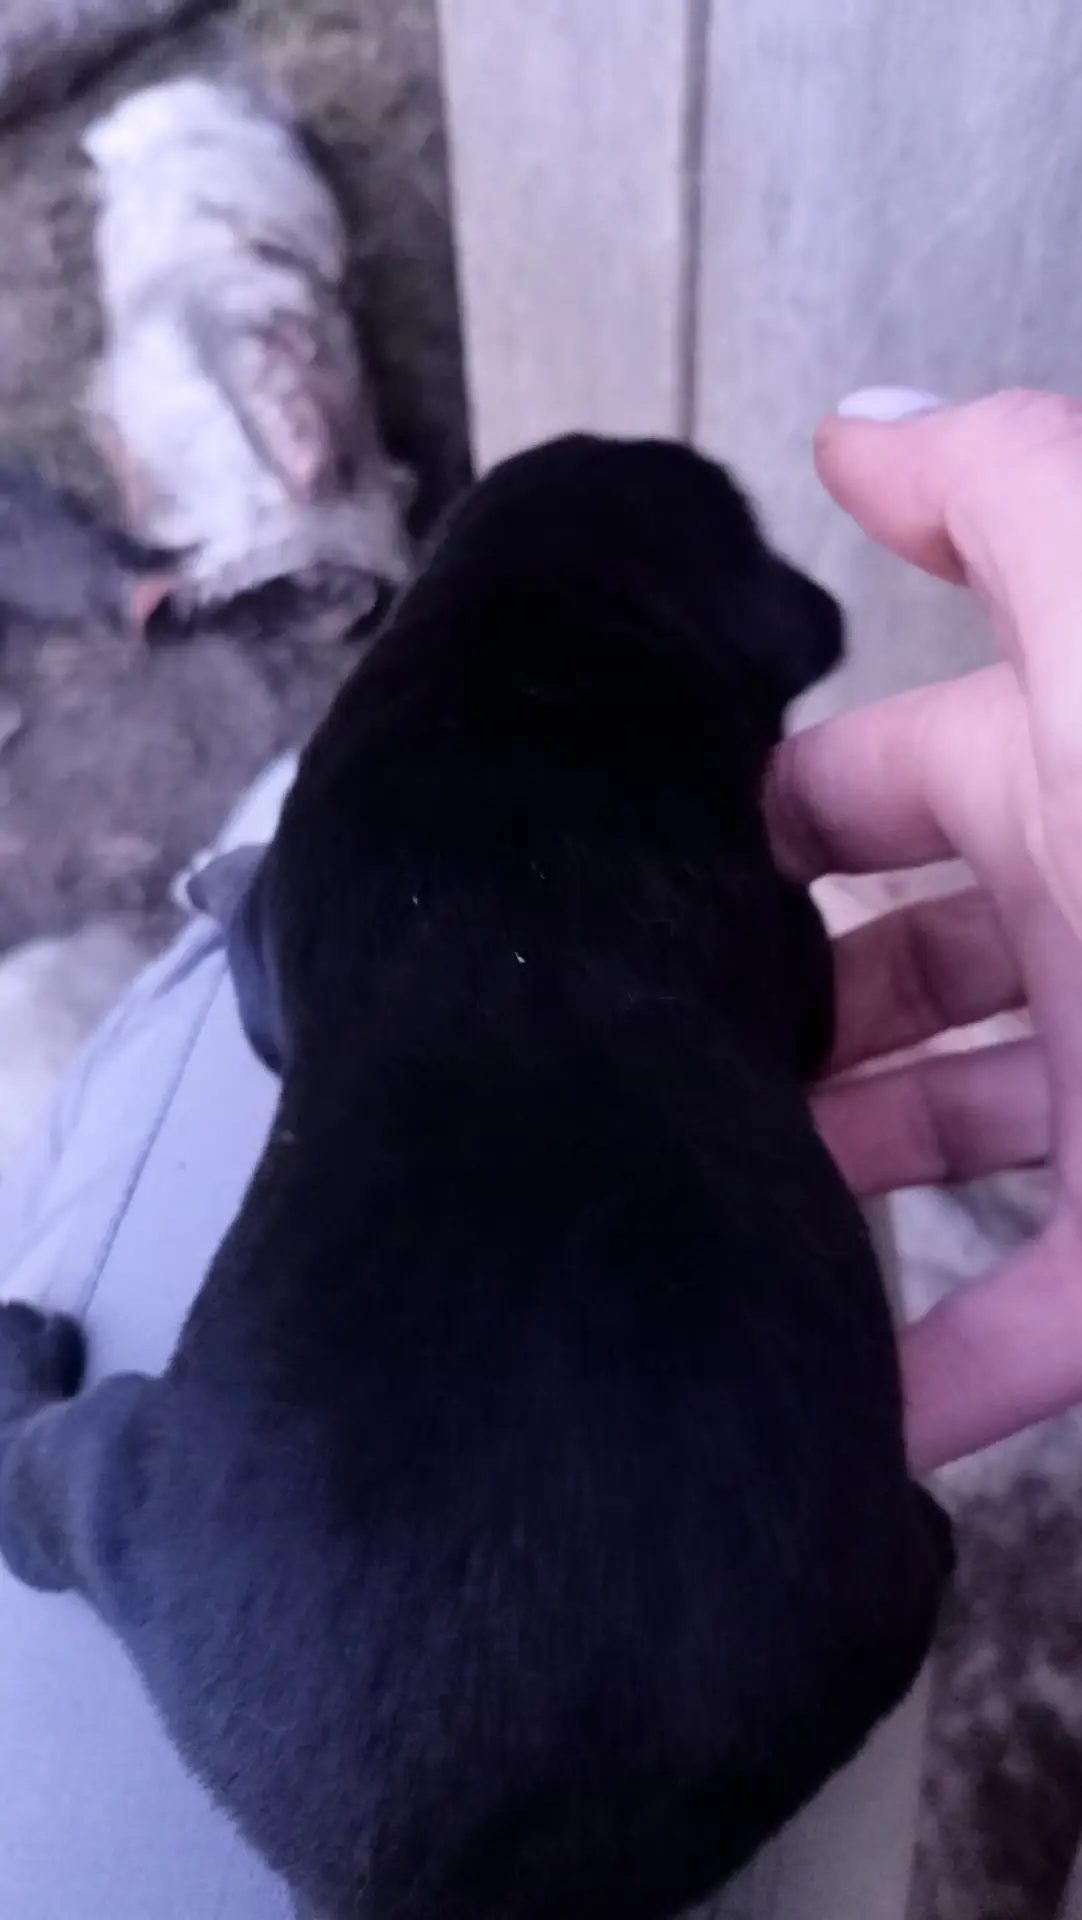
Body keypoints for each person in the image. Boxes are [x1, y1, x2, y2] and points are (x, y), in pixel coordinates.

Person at [1, 384, 1080, 1918]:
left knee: (106, 1484)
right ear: (746, 651)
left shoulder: (337, 827)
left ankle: (23, 1457)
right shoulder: (713, 876)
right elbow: (799, 1011)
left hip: (320, 1712)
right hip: (733, 1677)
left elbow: (269, 1011)